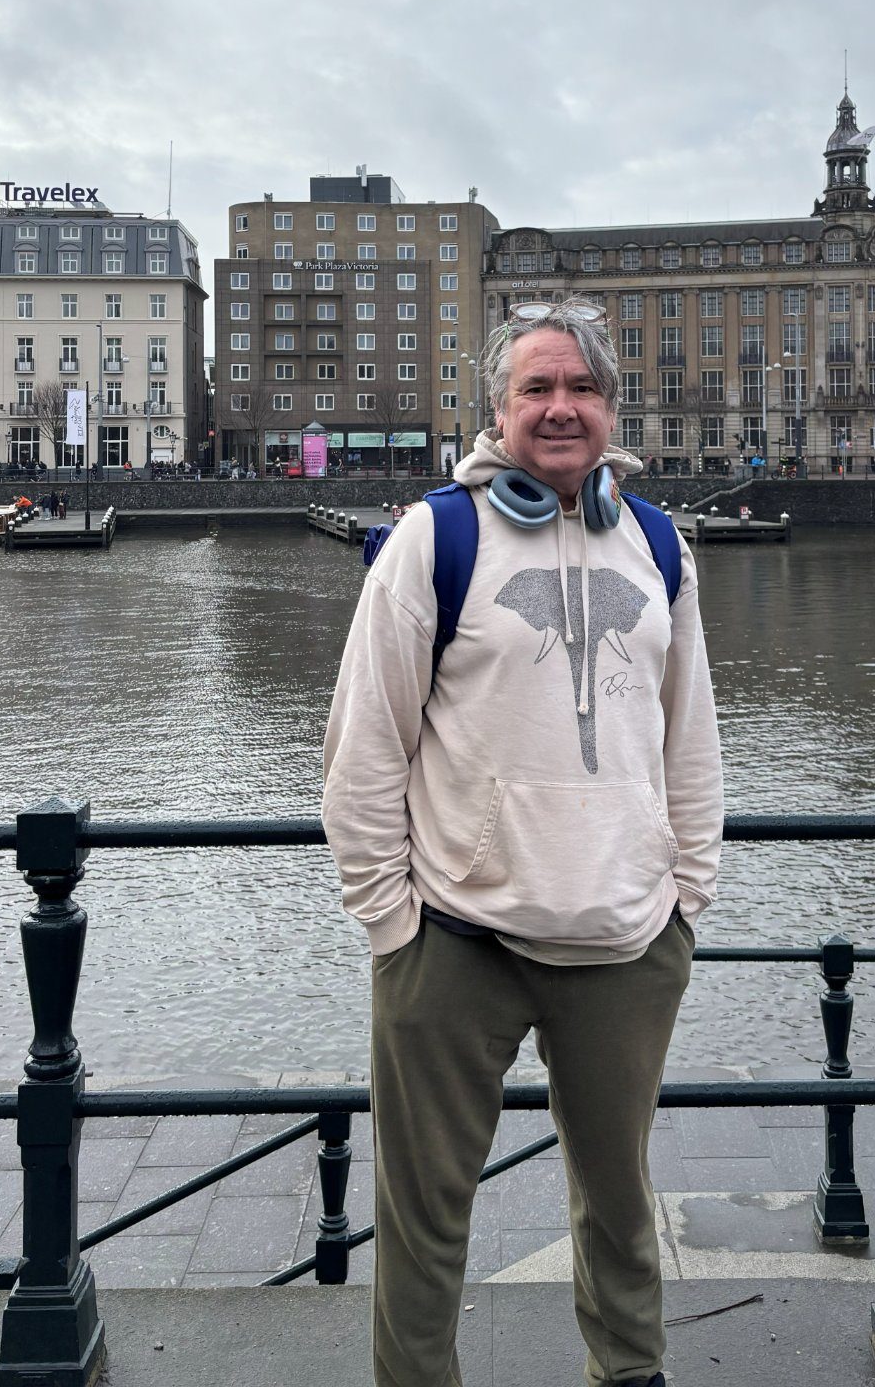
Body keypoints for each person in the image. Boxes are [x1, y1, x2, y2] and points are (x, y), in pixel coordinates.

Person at [323, 297, 723, 1387]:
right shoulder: (435, 539)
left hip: (626, 938)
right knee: (424, 1215)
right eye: (535, 387)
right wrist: (392, 924)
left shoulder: (659, 545)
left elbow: (690, 735)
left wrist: (686, 897)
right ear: (497, 412)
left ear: (610, 409)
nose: (560, 407)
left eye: (581, 387)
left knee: (621, 1203)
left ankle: (629, 1373)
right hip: (456, 937)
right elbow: (363, 745)